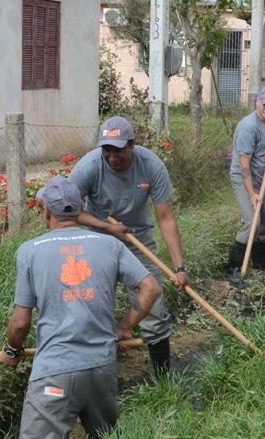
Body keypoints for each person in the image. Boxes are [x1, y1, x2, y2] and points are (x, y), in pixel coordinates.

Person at [0, 176, 161, 438]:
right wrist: (126, 326)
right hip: (102, 371)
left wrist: (11, 350)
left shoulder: (29, 251)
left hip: (54, 374)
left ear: (46, 210)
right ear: (80, 207)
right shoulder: (110, 245)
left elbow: (20, 322)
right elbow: (151, 288)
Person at [67, 116, 190, 376]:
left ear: (132, 145)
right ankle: (98, 374)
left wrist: (179, 267)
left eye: (118, 150)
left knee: (153, 304)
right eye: (106, 150)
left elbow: (166, 218)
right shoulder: (88, 167)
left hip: (138, 240)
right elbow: (69, 213)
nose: (112, 157)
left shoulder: (151, 166)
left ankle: (163, 378)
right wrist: (108, 227)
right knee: (96, 304)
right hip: (97, 240)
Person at [224, 85, 265, 287]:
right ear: (257, 102)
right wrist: (252, 194)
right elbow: (243, 164)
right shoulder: (247, 127)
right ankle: (233, 270)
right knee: (252, 222)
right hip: (245, 180)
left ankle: (260, 267)